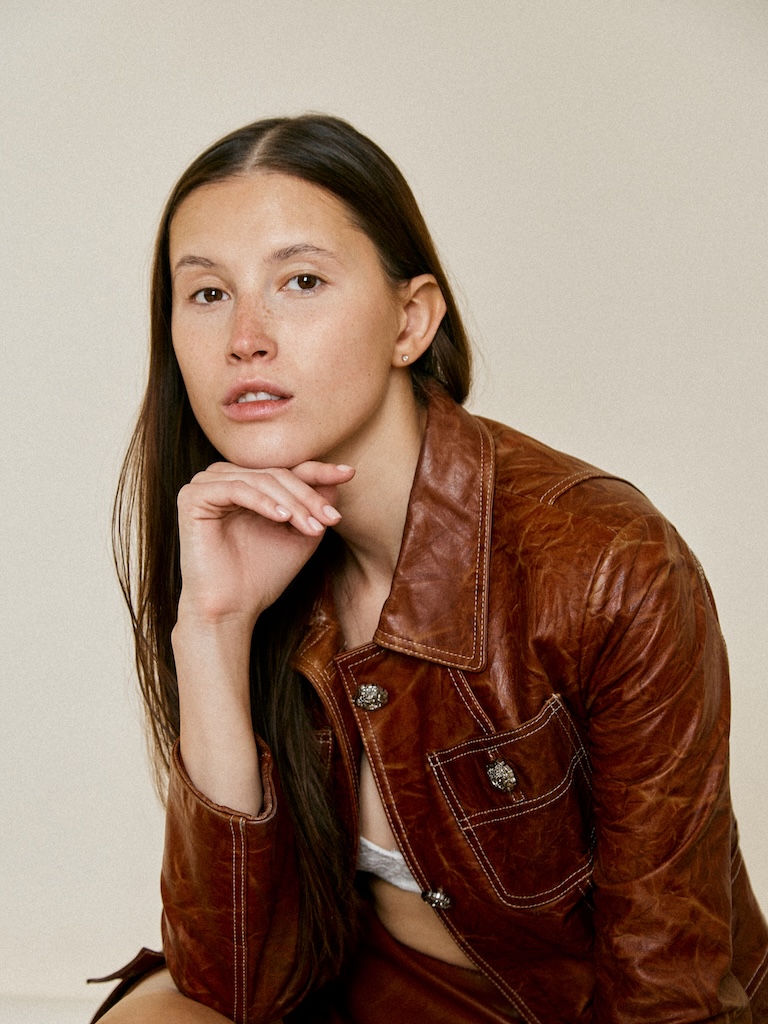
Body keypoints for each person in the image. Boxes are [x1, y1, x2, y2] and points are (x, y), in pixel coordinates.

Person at [91, 114, 768, 1023]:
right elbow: (231, 983)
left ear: (410, 321)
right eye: (207, 293)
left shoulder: (609, 565)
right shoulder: (238, 551)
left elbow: (668, 986)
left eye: (300, 281)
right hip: (362, 994)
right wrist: (213, 629)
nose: (245, 337)